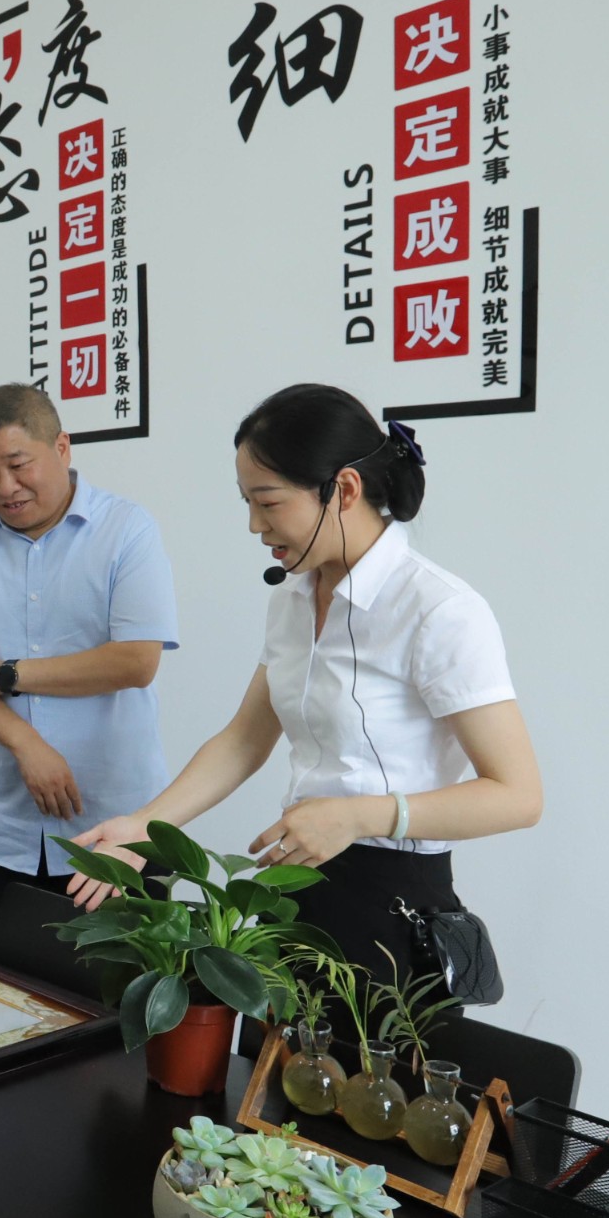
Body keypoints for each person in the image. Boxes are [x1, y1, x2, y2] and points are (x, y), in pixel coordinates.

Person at [65, 383, 542, 989]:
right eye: (247, 502)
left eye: (268, 502)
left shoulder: (438, 609)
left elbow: (518, 795)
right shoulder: (293, 597)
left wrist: (360, 817)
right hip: (297, 893)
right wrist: (145, 827)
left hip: (395, 912)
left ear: (344, 489)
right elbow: (244, 740)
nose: (254, 525)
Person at [0, 384, 179, 961]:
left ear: (62, 447)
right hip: (4, 831)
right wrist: (26, 744)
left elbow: (135, 661)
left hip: (117, 828)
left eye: (18, 464)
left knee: (121, 1002)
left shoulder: (127, 529)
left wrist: (5, 674)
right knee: (12, 997)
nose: (4, 487)